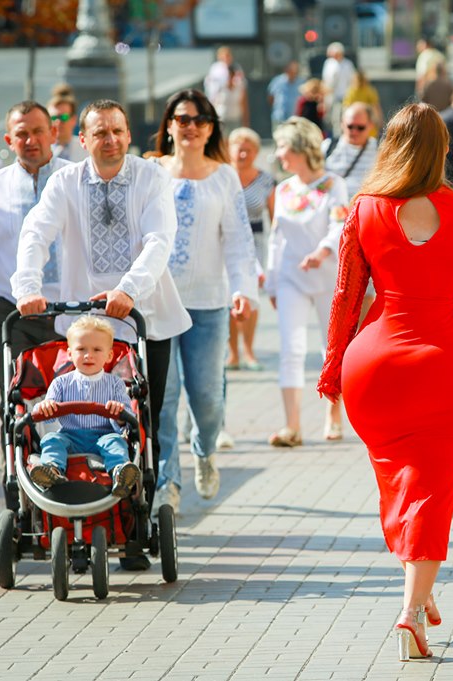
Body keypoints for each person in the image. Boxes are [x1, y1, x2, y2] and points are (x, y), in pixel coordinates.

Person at [317, 102, 453, 661]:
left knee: (400, 487)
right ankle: (411, 611)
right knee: (433, 491)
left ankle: (420, 582)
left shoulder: (364, 209)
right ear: (445, 150)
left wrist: (332, 370)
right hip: (446, 367)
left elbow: (345, 299)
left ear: (388, 145)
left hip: (375, 367)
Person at [12, 99, 191, 569]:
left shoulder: (151, 178)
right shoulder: (66, 182)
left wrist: (129, 288)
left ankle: (133, 527)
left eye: (117, 131)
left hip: (142, 316)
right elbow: (35, 233)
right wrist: (27, 286)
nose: (110, 140)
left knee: (143, 421)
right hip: (83, 325)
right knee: (73, 416)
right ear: (83, 139)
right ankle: (76, 521)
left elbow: (159, 239)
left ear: (128, 135)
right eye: (100, 133)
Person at [152, 89, 259, 510]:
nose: (191, 127)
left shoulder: (223, 177)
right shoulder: (151, 171)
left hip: (208, 304)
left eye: (200, 120)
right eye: (183, 119)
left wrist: (242, 290)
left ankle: (205, 450)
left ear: (212, 128)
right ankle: (168, 482)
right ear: (169, 125)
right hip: (158, 304)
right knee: (164, 398)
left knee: (207, 397)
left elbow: (238, 240)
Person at [0, 101, 71, 409]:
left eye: (38, 131)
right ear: (9, 140)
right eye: (22, 134)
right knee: (17, 407)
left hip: (71, 312)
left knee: (72, 407)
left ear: (53, 133)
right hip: (14, 313)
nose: (31, 140)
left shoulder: (74, 178)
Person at [265, 117, 347, 447]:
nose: (278, 154)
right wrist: (272, 283)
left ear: (301, 149)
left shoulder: (333, 184)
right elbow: (275, 239)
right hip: (291, 279)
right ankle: (292, 426)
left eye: (283, 146)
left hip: (328, 277)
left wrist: (322, 251)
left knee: (332, 349)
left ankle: (333, 414)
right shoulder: (283, 190)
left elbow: (340, 225)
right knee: (291, 348)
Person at [29, 315, 140, 498]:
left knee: (116, 442)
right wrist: (45, 407)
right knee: (52, 439)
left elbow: (128, 418)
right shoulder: (61, 383)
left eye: (97, 349)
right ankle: (52, 470)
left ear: (109, 355)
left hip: (103, 435)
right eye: (81, 349)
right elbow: (45, 415)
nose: (89, 355)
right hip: (70, 436)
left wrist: (119, 414)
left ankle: (120, 473)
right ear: (70, 354)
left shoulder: (115, 384)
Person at [228, 127, 275, 371]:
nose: (243, 154)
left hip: (255, 243)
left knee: (251, 296)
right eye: (239, 149)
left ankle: (249, 350)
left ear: (256, 152)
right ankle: (233, 353)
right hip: (226, 242)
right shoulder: (222, 175)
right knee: (229, 297)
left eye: (248, 149)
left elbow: (275, 218)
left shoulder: (266, 180)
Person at [322, 103, 379, 200]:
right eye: (350, 126)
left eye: (360, 127)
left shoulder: (381, 150)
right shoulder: (327, 146)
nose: (354, 131)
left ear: (371, 125)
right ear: (342, 124)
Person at [321, 42, 356, 129]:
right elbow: (325, 80)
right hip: (331, 97)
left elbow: (352, 80)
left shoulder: (348, 64)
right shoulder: (328, 63)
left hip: (345, 96)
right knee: (331, 119)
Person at [342, 70, 383, 138]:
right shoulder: (352, 91)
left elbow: (375, 107)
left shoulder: (367, 90)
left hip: (364, 120)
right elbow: (376, 107)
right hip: (361, 120)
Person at [48, 94, 87, 162]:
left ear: (74, 119)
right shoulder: (39, 149)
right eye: (53, 118)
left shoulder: (86, 149)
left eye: (64, 117)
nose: (58, 122)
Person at [267, 61, 304, 130]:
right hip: (279, 117)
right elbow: (271, 97)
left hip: (294, 119)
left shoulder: (301, 82)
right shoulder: (277, 81)